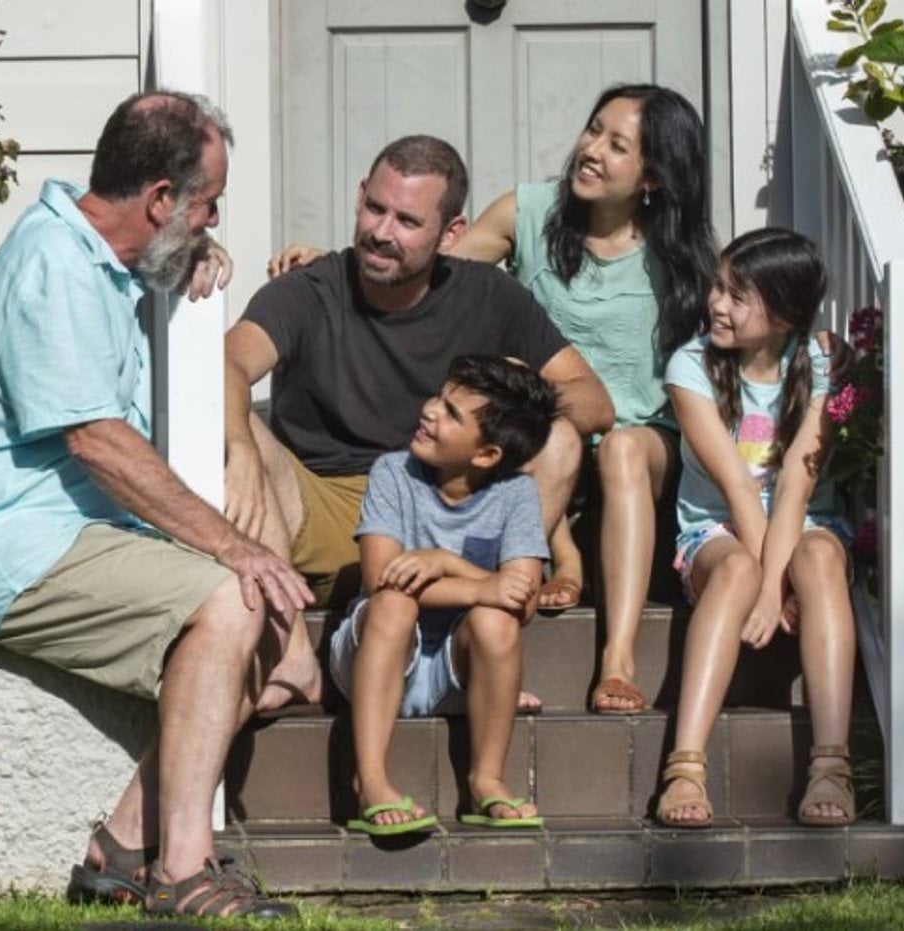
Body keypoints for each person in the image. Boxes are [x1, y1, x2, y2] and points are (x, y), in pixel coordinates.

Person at [0, 91, 310, 919]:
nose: (212, 221)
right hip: (8, 543)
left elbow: (154, 265)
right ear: (160, 199)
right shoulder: (53, 267)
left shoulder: (103, 253)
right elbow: (93, 439)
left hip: (73, 534)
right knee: (230, 594)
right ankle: (181, 870)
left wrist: (190, 255)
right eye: (206, 206)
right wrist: (234, 548)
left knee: (272, 644)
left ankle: (121, 845)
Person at [270, 85, 715, 717]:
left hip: (638, 441)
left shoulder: (683, 256)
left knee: (614, 447)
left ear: (654, 177)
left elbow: (742, 325)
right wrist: (339, 267)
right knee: (532, 420)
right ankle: (499, 604)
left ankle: (616, 655)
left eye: (617, 146)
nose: (591, 150)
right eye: (593, 131)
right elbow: (433, 266)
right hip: (538, 434)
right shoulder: (528, 212)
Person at [223, 135, 613, 637]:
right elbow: (228, 361)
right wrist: (240, 448)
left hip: (451, 513)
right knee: (239, 424)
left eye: (407, 222)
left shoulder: (490, 295)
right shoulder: (306, 290)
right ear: (360, 195)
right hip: (327, 508)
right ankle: (286, 643)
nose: (382, 232)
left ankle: (493, 621)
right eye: (375, 209)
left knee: (556, 434)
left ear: (451, 233)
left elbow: (594, 402)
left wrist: (500, 398)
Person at [657, 228, 856, 829]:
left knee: (819, 560)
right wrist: (766, 586)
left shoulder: (820, 361)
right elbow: (740, 491)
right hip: (716, 530)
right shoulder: (690, 367)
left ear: (785, 312)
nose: (718, 304)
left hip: (807, 524)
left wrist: (781, 585)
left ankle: (831, 764)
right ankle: (684, 765)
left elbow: (797, 478)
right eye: (719, 287)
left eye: (738, 296)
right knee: (739, 568)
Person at [332, 355, 557, 834]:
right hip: (376, 654)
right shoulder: (394, 471)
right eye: (439, 396)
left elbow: (524, 598)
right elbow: (378, 578)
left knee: (497, 620)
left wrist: (446, 563)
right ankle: (369, 780)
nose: (431, 410)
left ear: (486, 455)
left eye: (452, 413)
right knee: (394, 602)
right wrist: (478, 582)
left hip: (457, 675)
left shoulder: (516, 493)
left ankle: (486, 779)